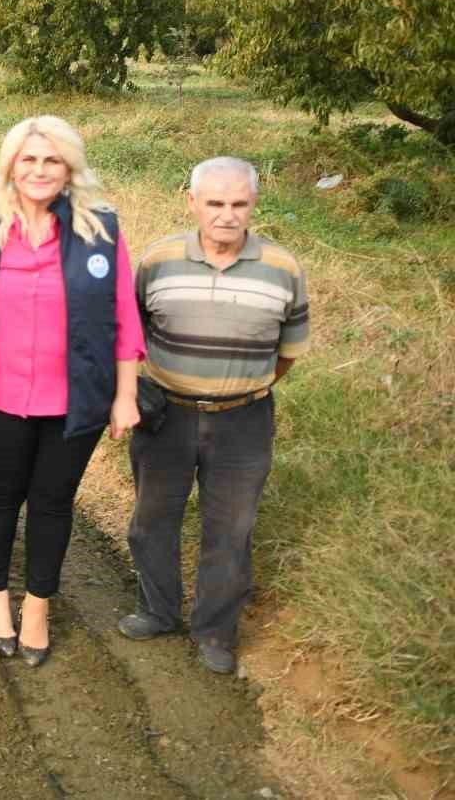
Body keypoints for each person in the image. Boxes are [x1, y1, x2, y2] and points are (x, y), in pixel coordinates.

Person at [0, 116, 145, 667]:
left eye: (52, 160)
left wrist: (126, 395)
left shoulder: (101, 232)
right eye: (29, 160)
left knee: (52, 503)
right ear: (10, 167)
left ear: (70, 169)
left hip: (75, 401)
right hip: (1, 399)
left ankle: (37, 604)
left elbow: (124, 318)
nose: (39, 170)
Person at [120, 157, 310, 675]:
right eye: (215, 203)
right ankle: (157, 611)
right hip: (165, 415)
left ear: (253, 204)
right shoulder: (157, 260)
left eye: (239, 204)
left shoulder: (284, 268)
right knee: (151, 520)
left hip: (243, 420)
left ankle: (215, 632)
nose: (227, 215)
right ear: (193, 202)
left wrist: (237, 391)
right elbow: (130, 338)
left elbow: (288, 353)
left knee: (231, 529)